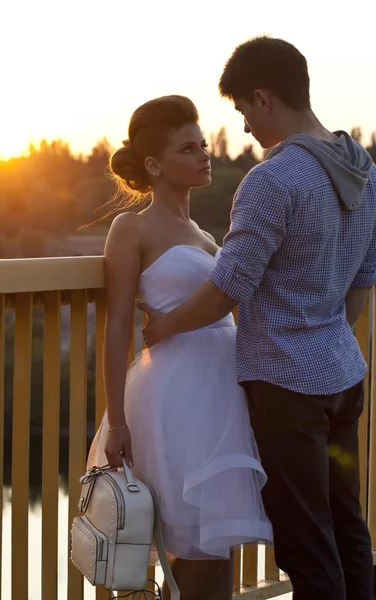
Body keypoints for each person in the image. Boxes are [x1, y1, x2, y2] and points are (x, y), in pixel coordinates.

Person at [141, 38, 376, 600]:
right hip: (343, 374)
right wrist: (324, 329)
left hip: (286, 386)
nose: (244, 127)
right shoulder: (363, 169)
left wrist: (163, 328)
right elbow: (362, 281)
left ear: (264, 98)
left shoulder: (273, 179)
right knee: (348, 527)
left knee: (305, 540)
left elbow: (228, 287)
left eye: (244, 110)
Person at [87, 94, 273, 600]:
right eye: (188, 149)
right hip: (178, 394)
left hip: (224, 391)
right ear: (154, 165)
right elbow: (118, 326)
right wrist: (117, 419)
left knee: (219, 545)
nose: (204, 154)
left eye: (203, 144)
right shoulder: (132, 227)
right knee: (196, 549)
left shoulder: (204, 234)